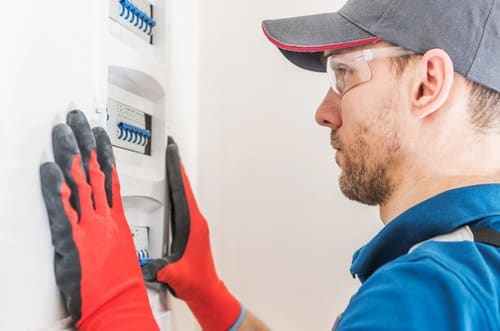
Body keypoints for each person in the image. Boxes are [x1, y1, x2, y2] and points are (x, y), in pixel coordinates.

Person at [40, 0, 499, 330]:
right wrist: (213, 299)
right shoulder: (476, 267)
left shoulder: (426, 297)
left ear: (427, 85)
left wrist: (117, 310)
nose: (324, 111)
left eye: (344, 74)